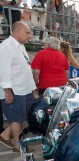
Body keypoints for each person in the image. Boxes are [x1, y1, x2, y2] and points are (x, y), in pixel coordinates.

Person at [0, 21, 36, 152]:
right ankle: (17, 145)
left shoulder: (20, 47)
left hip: (25, 88)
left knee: (24, 116)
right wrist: (7, 91)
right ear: (17, 32)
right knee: (16, 118)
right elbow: (3, 70)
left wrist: (32, 88)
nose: (30, 36)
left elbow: (25, 67)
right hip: (14, 90)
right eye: (27, 33)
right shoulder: (6, 47)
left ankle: (5, 135)